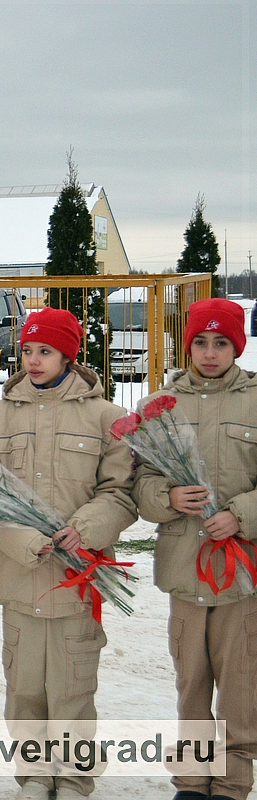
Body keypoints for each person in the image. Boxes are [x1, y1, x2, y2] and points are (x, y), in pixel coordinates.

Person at [0, 308, 137, 800]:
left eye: (45, 351)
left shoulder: (105, 416)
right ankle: (33, 774)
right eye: (27, 351)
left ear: (69, 354)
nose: (34, 360)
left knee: (72, 684)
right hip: (21, 576)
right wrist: (25, 540)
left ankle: (73, 776)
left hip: (78, 578)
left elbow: (122, 491)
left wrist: (85, 529)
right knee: (24, 687)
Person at [132, 298, 256, 800]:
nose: (209, 353)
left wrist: (243, 514)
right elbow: (138, 482)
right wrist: (167, 496)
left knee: (241, 680)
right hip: (185, 567)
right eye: (200, 342)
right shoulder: (160, 406)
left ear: (237, 346)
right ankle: (191, 778)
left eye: (220, 342)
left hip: (242, 569)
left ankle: (230, 781)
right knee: (191, 681)